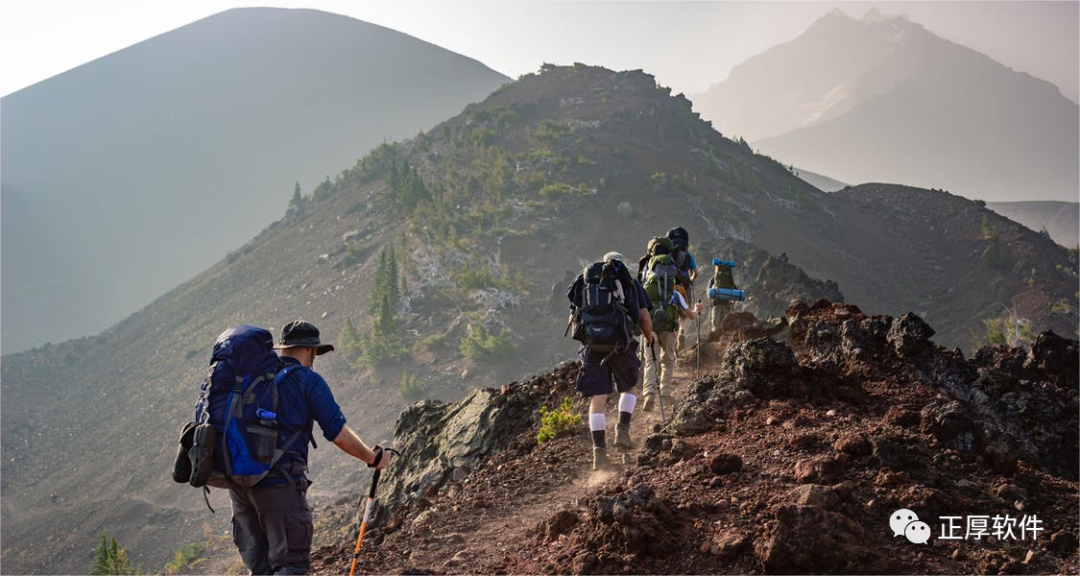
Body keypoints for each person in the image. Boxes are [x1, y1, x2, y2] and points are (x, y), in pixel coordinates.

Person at [229, 320, 392, 576]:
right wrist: (373, 458)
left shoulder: (254, 378)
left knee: (262, 569)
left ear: (284, 348)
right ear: (311, 350)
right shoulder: (307, 381)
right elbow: (338, 433)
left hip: (239, 484)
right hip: (278, 484)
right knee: (291, 566)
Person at [567, 252, 654, 471]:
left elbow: (572, 318)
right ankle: (622, 430)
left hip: (592, 347)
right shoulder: (630, 283)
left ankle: (600, 454)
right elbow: (644, 317)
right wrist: (649, 338)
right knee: (629, 388)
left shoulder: (584, 282)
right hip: (621, 344)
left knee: (598, 397)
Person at [639, 239, 694, 412]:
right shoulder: (674, 288)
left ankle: (648, 393)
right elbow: (688, 313)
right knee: (668, 361)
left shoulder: (646, 276)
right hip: (669, 326)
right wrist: (696, 309)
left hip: (650, 327)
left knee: (650, 361)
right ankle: (665, 393)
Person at [708, 259, 739, 335]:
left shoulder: (713, 280)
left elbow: (709, 293)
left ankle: (716, 340)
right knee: (727, 325)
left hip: (716, 304)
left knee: (716, 326)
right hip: (727, 305)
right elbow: (735, 292)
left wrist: (711, 300)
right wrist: (732, 302)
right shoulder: (729, 280)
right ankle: (725, 341)